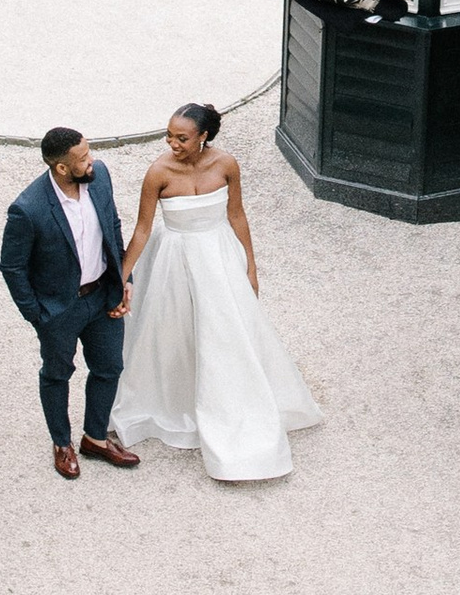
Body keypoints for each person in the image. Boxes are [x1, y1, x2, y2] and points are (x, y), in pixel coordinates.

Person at [113, 103, 321, 485]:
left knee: (227, 334)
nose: (171, 143)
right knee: (174, 334)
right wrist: (121, 278)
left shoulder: (226, 165)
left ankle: (235, 410)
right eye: (169, 135)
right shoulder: (158, 172)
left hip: (219, 257)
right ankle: (177, 402)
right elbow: (142, 230)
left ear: (204, 136)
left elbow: (237, 215)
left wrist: (251, 266)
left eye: (181, 137)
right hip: (174, 260)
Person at [0, 125, 139, 482]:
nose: (92, 161)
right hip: (59, 310)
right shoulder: (27, 209)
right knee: (57, 374)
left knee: (109, 368)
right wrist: (38, 315)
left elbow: (114, 225)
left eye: (89, 153)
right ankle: (62, 443)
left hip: (103, 297)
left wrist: (124, 280)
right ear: (62, 167)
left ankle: (94, 438)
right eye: (83, 158)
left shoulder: (100, 176)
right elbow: (12, 266)